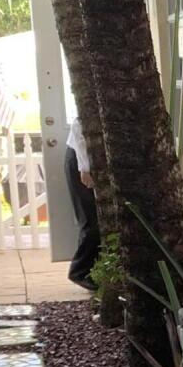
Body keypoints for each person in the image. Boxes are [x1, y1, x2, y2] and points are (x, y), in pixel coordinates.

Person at [64, 120, 101, 289]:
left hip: (87, 159)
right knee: (91, 218)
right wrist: (84, 167)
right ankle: (80, 271)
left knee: (95, 217)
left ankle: (92, 270)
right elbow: (79, 126)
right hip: (81, 161)